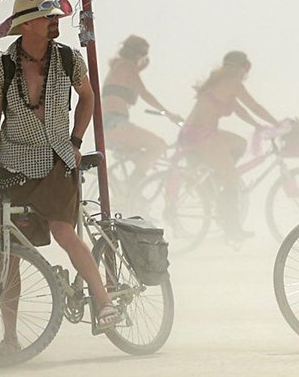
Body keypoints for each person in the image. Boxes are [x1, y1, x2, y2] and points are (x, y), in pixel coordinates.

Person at [0, 0, 119, 355]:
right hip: (14, 166)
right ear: (25, 25)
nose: (54, 22)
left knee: (63, 230)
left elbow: (88, 97)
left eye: (54, 16)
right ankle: (9, 340)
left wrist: (77, 140)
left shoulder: (69, 60)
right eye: (46, 17)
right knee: (9, 253)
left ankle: (104, 303)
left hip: (57, 162)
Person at [179, 50, 278, 242]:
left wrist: (259, 126)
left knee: (239, 143)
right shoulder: (232, 83)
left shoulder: (219, 84)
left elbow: (241, 111)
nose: (245, 75)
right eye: (246, 70)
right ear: (240, 68)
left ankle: (216, 175)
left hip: (195, 133)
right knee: (232, 180)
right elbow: (254, 106)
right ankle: (231, 228)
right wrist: (277, 124)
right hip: (203, 136)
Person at [102, 35, 181, 186]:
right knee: (158, 145)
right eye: (143, 54)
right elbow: (144, 93)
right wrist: (168, 114)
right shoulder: (127, 66)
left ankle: (128, 194)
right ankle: (131, 188)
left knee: (142, 157)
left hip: (109, 124)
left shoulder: (119, 66)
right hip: (116, 123)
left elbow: (131, 95)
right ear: (137, 54)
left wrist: (139, 69)